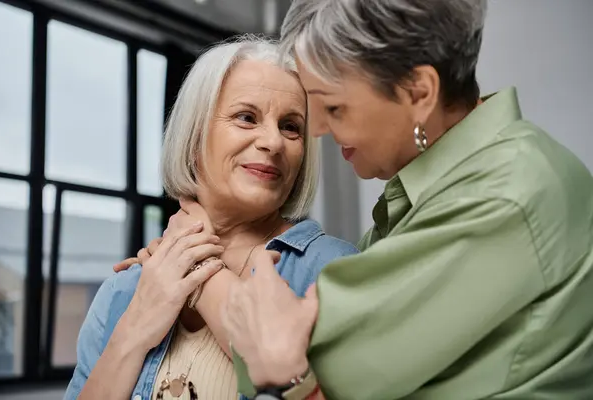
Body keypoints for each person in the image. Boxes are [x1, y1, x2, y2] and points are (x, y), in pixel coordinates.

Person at [219, 1, 593, 399]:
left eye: (334, 106)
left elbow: (293, 356)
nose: (319, 129)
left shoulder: (507, 193)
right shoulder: (433, 189)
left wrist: (206, 269)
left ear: (419, 92)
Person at [63, 36, 358, 400]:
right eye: (246, 117)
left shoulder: (333, 271)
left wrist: (199, 261)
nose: (274, 142)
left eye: (290, 126)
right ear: (193, 137)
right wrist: (134, 329)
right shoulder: (123, 292)